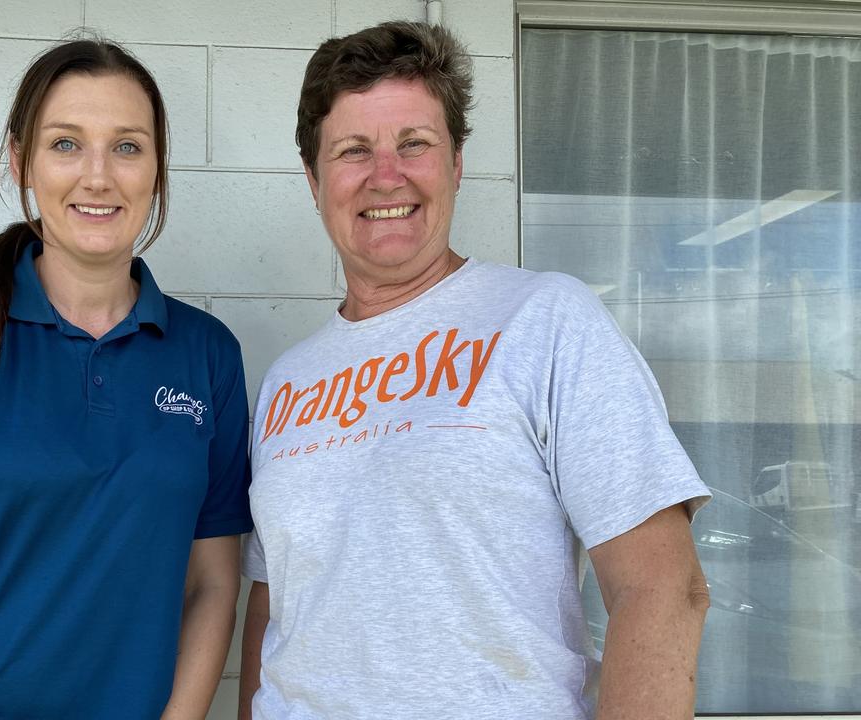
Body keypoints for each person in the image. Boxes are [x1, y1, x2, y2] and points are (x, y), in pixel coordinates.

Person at [239, 22, 711, 720]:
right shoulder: (286, 382)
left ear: (456, 163)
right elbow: (273, 604)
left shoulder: (546, 320)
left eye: (415, 144)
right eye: (354, 150)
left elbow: (663, 590)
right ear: (315, 180)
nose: (386, 175)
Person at [0, 38, 252, 719]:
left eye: (127, 146)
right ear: (20, 161)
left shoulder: (206, 356)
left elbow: (211, 588)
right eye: (66, 144)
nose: (98, 176)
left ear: (157, 168)